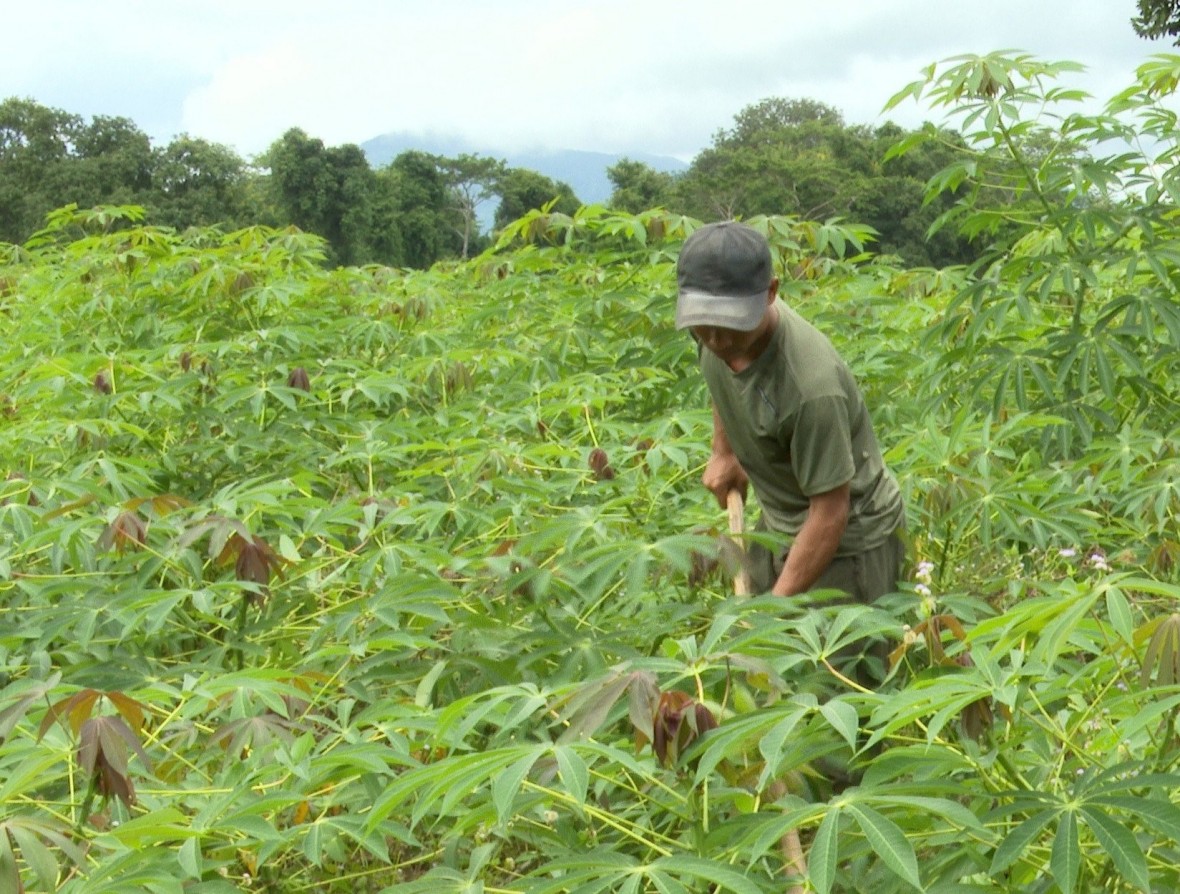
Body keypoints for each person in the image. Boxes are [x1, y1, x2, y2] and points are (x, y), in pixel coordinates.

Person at [676, 220, 906, 614]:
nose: (715, 339)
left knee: (831, 670)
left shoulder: (811, 388)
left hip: (847, 543)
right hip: (779, 519)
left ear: (770, 293)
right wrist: (724, 449)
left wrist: (775, 613)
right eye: (703, 321)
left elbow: (831, 514)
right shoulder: (713, 336)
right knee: (774, 668)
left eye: (730, 323)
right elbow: (724, 379)